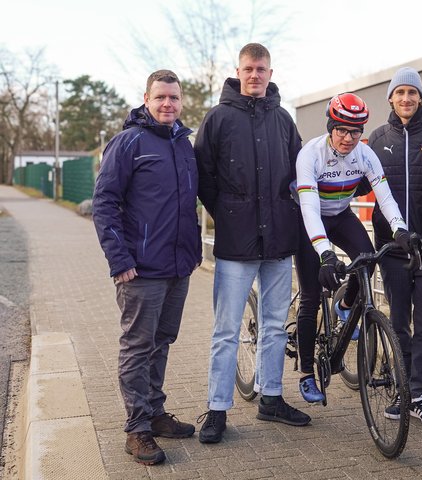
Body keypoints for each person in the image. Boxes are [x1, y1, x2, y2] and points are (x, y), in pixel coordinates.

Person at [194, 43, 310, 444]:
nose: (255, 75)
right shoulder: (219, 118)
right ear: (238, 71)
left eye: (261, 69)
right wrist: (228, 211)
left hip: (279, 241)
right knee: (226, 331)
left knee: (276, 326)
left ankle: (272, 398)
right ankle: (217, 408)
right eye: (249, 69)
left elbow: (300, 173)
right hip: (236, 243)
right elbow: (203, 176)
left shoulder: (283, 120)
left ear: (270, 72)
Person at [92, 70, 202, 465]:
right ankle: (136, 429)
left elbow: (190, 204)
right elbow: (104, 204)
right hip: (140, 270)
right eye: (160, 98)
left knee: (163, 341)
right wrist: (119, 260)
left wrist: (192, 256)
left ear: (181, 101)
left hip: (178, 268)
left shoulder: (184, 145)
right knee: (137, 347)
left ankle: (155, 413)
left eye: (173, 97)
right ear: (146, 99)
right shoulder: (128, 143)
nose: (167, 104)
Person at [294, 92, 420, 403]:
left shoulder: (364, 155)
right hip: (309, 220)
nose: (348, 138)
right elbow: (309, 208)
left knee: (367, 259)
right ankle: (307, 374)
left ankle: (346, 306)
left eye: (356, 131)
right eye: (342, 130)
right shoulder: (310, 155)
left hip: (340, 215)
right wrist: (325, 254)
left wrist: (400, 229)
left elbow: (386, 197)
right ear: (330, 126)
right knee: (310, 297)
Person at [367, 67, 422, 428]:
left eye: (412, 93)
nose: (406, 99)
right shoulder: (376, 137)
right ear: (390, 98)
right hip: (391, 248)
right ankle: (403, 389)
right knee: (399, 322)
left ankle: (420, 396)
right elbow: (357, 180)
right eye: (399, 92)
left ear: (420, 98)